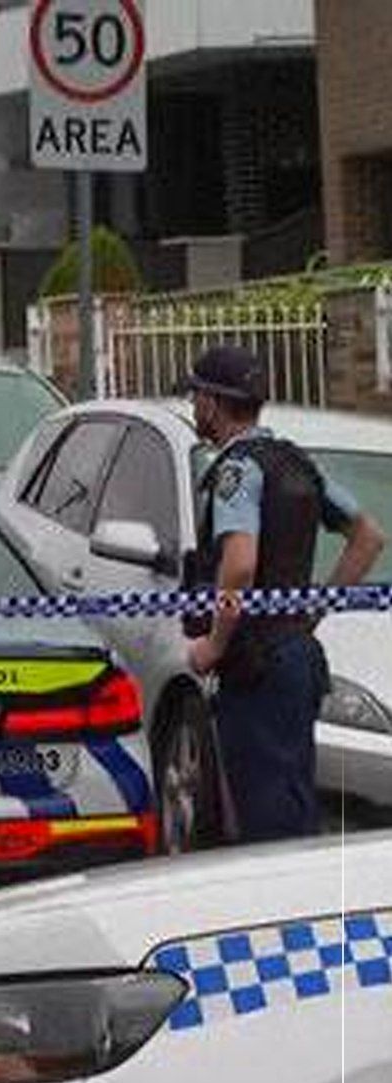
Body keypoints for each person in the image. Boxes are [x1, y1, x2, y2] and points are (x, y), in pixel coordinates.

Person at [183, 345, 385, 842]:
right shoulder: (296, 463)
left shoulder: (237, 470)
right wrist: (311, 613)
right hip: (296, 657)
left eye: (196, 396)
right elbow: (368, 536)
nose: (193, 407)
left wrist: (213, 644)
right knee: (294, 803)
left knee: (265, 819)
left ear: (212, 402)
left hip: (256, 665)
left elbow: (240, 564)